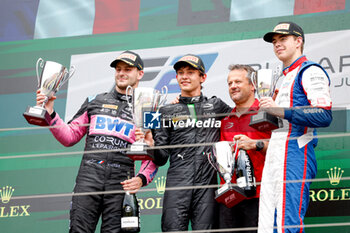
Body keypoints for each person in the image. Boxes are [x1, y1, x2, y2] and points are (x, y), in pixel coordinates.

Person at [36, 50, 158, 233]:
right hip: (88, 179)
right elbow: (69, 137)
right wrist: (50, 112)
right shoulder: (95, 101)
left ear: (140, 73)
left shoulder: (149, 106)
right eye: (118, 69)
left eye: (128, 69)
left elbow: (155, 152)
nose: (122, 73)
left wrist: (141, 179)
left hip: (121, 183)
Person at [258, 22, 332, 233]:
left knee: (286, 224)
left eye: (283, 39)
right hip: (274, 154)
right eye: (274, 42)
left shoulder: (310, 71)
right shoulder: (281, 77)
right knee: (266, 225)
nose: (277, 45)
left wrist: (281, 110)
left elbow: (324, 114)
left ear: (298, 41)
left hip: (295, 152)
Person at [150, 54, 232, 231]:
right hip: (177, 184)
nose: (184, 76)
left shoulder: (217, 105)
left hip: (208, 185)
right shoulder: (165, 111)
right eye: (180, 73)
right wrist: (149, 141)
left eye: (190, 72)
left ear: (203, 77)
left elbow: (240, 119)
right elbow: (160, 158)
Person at [219, 64, 271, 233]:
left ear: (253, 85)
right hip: (230, 196)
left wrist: (255, 144)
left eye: (238, 82)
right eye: (229, 83)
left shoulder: (268, 112)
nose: (233, 86)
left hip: (259, 196)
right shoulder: (226, 119)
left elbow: (283, 149)